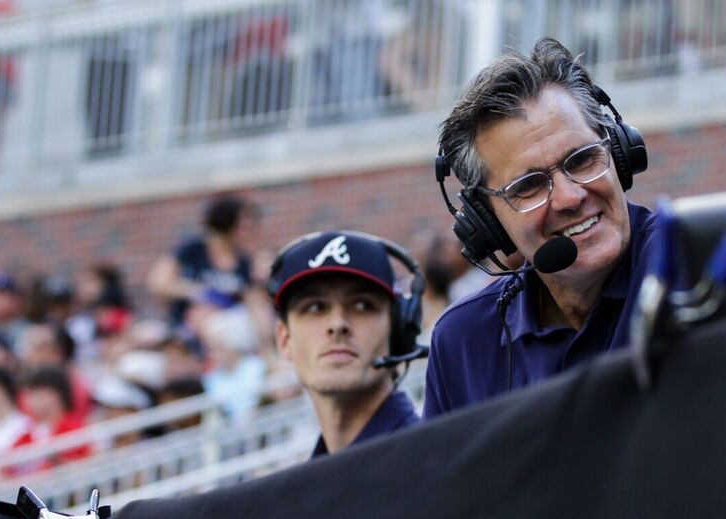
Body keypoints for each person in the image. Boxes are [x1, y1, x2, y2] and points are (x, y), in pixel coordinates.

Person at [425, 37, 659, 417]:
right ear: (489, 220)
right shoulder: (463, 342)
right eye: (529, 185)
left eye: (581, 160)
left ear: (619, 154)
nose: (570, 197)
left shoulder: (701, 263)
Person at [267, 230, 422, 457]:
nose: (337, 324)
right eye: (315, 307)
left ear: (398, 331)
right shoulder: (311, 478)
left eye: (362, 305)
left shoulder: (440, 459)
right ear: (284, 339)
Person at [147, 196, 262, 327]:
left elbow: (252, 300)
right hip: (189, 324)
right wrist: (198, 292)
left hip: (230, 324)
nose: (250, 232)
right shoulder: (193, 250)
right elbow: (158, 282)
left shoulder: (244, 262)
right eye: (244, 226)